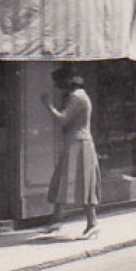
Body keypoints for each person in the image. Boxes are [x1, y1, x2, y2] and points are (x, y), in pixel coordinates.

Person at [42, 67, 101, 238]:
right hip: (76, 142)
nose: (57, 86)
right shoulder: (78, 95)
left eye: (58, 82)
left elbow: (62, 119)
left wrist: (48, 105)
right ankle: (56, 220)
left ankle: (92, 223)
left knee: (80, 182)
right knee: (65, 180)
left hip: (78, 143)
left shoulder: (77, 96)